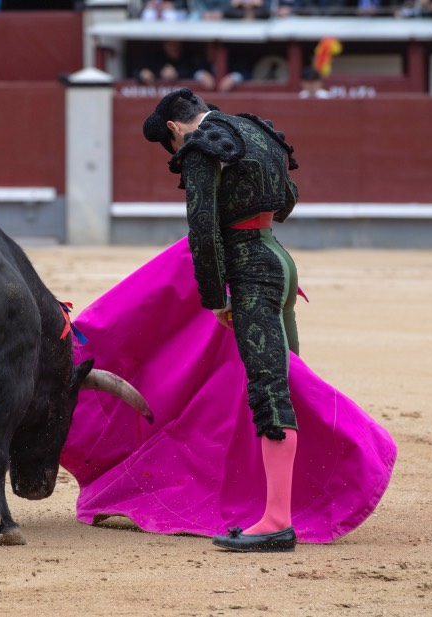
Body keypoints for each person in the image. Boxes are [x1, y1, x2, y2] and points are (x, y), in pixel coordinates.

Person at [141, 88, 302, 552]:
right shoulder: (256, 129)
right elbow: (287, 199)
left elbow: (203, 229)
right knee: (287, 380)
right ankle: (289, 504)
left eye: (170, 146)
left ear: (174, 128)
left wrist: (214, 297)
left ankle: (276, 520)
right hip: (280, 261)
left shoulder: (200, 145)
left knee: (269, 388)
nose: (176, 154)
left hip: (250, 271)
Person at [134, 41, 216, 91]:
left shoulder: (189, 58)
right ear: (164, 45)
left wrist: (177, 74)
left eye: (176, 44)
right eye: (170, 44)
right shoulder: (154, 58)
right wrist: (142, 74)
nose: (174, 47)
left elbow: (195, 71)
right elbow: (136, 71)